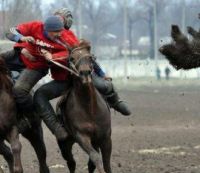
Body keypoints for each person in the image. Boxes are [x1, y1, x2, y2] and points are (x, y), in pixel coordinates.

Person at [3, 8, 131, 116]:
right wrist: (22, 43)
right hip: (36, 64)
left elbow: (84, 56)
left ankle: (116, 101)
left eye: (61, 21)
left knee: (102, 85)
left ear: (64, 26)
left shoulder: (69, 38)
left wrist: (102, 73)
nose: (57, 22)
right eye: (57, 18)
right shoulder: (41, 27)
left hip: (64, 71)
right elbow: (22, 35)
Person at [7, 15, 79, 141]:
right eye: (55, 32)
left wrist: (53, 56)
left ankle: (30, 116)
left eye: (60, 31)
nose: (59, 34)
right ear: (46, 29)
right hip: (20, 56)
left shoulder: (66, 37)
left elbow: (73, 53)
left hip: (36, 66)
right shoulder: (36, 26)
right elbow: (9, 32)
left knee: (19, 90)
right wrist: (21, 39)